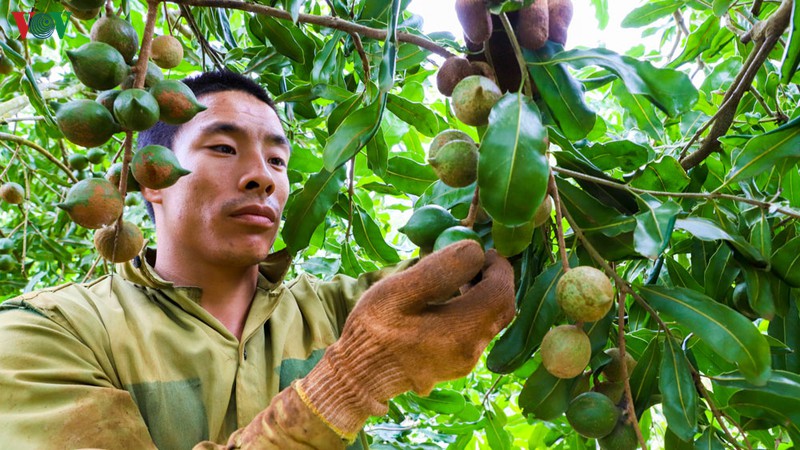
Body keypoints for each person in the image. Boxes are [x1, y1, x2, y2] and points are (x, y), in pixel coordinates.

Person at [0, 70, 515, 449]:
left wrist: (508, 81)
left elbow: (468, 263)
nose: (262, 177)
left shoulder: (338, 310)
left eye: (277, 160)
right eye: (224, 148)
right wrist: (350, 381)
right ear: (153, 177)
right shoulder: (46, 331)